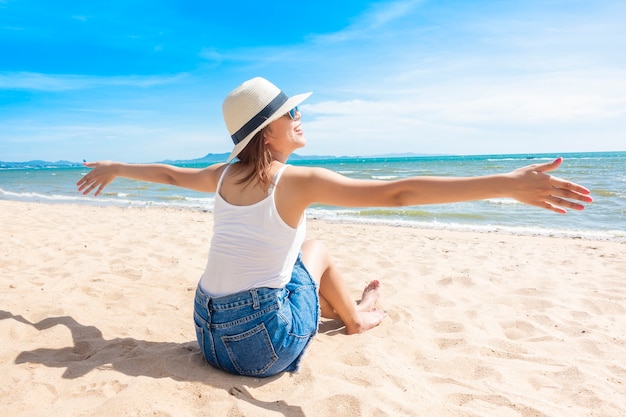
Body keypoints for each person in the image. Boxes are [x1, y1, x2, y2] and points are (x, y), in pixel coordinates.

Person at [77, 77, 592, 377]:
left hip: (207, 332)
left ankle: (339, 307)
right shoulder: (299, 180)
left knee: (304, 254)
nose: (299, 116)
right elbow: (398, 193)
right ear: (267, 131)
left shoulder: (222, 175)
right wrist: (504, 183)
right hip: (258, 346)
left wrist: (117, 166)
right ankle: (357, 319)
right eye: (289, 112)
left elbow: (168, 173)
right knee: (317, 248)